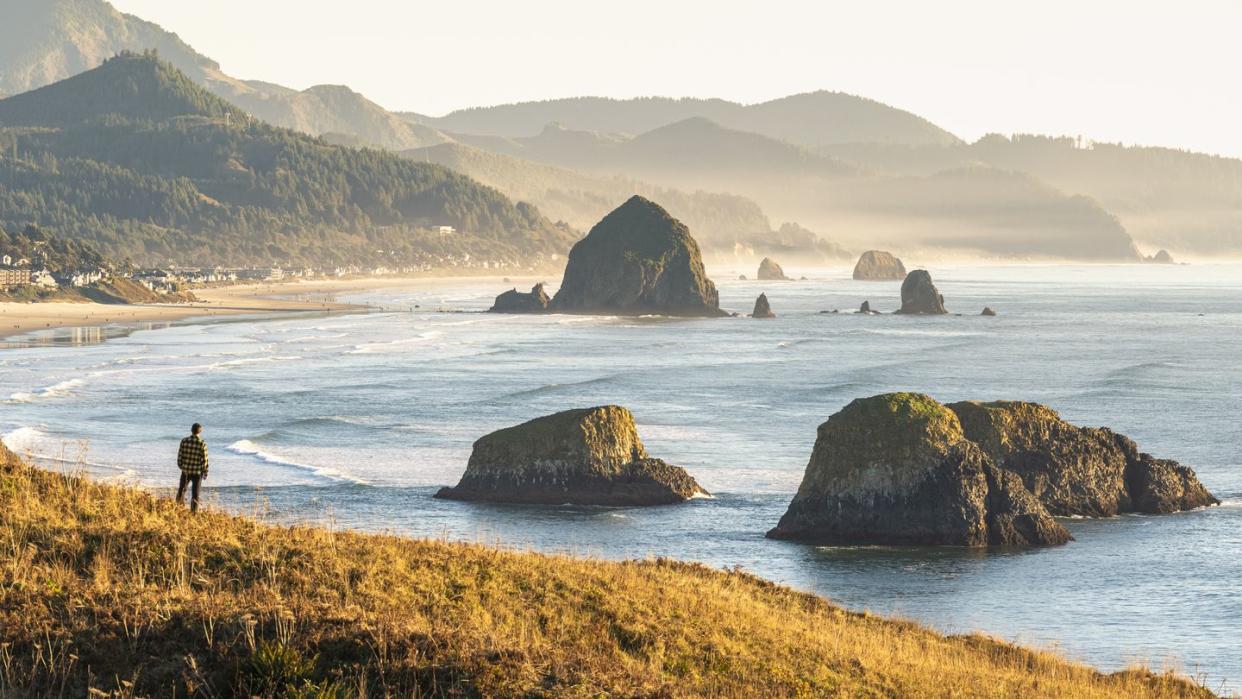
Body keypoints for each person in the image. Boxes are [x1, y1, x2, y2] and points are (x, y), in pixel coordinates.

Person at [176, 423, 209, 513]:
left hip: (186, 470)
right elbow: (204, 460)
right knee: (195, 494)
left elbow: (180, 456)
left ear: (191, 430)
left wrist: (182, 467)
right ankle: (193, 513)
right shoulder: (202, 443)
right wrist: (205, 471)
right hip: (197, 473)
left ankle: (178, 509)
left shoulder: (184, 441)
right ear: (200, 431)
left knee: (181, 490)